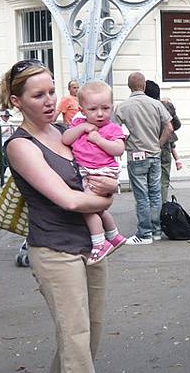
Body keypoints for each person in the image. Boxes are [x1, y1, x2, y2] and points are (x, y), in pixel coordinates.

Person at [0, 59, 118, 373]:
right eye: (38, 95)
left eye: (52, 91)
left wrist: (110, 185)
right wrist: (104, 196)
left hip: (90, 245)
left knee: (90, 331)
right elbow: (67, 199)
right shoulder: (19, 145)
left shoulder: (67, 129)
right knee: (76, 336)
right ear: (17, 102)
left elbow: (100, 174)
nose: (50, 100)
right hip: (54, 250)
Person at [62, 81, 127, 265]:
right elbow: (66, 139)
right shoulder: (78, 124)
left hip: (102, 172)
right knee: (97, 209)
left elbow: (118, 149)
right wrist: (82, 129)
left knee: (87, 208)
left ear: (112, 107)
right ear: (82, 110)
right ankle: (113, 235)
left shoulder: (112, 128)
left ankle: (99, 244)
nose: (100, 114)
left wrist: (98, 139)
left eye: (105, 108)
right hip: (86, 171)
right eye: (93, 109)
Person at [114, 72, 173, 244]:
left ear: (129, 86)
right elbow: (169, 127)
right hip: (154, 154)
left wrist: (124, 145)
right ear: (144, 86)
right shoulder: (156, 104)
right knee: (155, 194)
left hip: (136, 156)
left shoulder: (122, 107)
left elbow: (114, 131)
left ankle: (144, 234)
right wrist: (158, 144)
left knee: (141, 196)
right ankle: (156, 230)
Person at [142, 80, 183, 202]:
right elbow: (177, 124)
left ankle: (149, 208)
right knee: (163, 179)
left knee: (147, 179)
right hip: (164, 146)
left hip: (145, 146)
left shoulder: (141, 107)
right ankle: (161, 207)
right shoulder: (166, 106)